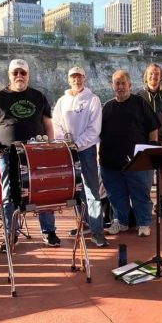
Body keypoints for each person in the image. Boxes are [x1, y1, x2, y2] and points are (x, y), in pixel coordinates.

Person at [0, 59, 61, 248]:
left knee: (43, 192)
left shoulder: (39, 96)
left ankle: (49, 232)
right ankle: (11, 234)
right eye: (15, 73)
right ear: (9, 75)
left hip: (36, 153)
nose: (19, 76)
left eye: (23, 72)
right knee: (8, 195)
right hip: (7, 154)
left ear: (28, 75)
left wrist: (50, 148)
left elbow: (48, 125)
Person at [99, 69, 160, 237]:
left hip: (137, 161)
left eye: (123, 83)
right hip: (110, 162)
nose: (120, 87)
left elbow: (153, 127)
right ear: (113, 86)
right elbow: (99, 134)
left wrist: (152, 148)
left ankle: (144, 223)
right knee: (116, 195)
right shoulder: (107, 107)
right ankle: (122, 222)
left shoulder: (140, 103)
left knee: (140, 194)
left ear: (130, 85)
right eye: (117, 83)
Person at [52, 66, 108, 247]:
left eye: (79, 77)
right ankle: (83, 224)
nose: (76, 80)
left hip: (87, 151)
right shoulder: (61, 101)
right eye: (73, 77)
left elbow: (94, 129)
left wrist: (77, 144)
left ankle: (97, 232)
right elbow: (56, 125)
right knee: (76, 191)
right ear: (69, 80)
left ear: (85, 78)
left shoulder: (93, 100)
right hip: (68, 152)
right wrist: (66, 144)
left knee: (92, 190)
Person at [137, 63, 162, 219]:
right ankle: (145, 206)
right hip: (144, 139)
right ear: (146, 76)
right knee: (145, 174)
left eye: (157, 74)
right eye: (151, 73)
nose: (154, 76)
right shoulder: (138, 96)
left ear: (161, 76)